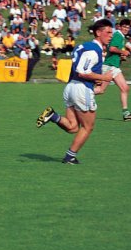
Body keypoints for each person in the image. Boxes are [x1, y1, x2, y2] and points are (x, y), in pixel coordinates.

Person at [36, 19, 115, 165]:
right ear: (98, 33)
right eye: (108, 32)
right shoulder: (94, 50)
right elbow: (83, 72)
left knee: (73, 127)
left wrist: (97, 84)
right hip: (81, 88)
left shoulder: (84, 46)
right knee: (88, 127)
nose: (111, 35)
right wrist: (104, 77)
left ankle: (52, 116)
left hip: (72, 87)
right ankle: (69, 157)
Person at [95, 18, 131, 121]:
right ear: (119, 26)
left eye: (128, 27)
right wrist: (123, 52)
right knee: (100, 90)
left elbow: (113, 50)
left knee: (125, 88)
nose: (126, 29)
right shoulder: (118, 35)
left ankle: (126, 113)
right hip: (109, 66)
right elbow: (112, 48)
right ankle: (79, 96)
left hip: (114, 66)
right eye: (124, 27)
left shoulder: (121, 36)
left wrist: (121, 57)